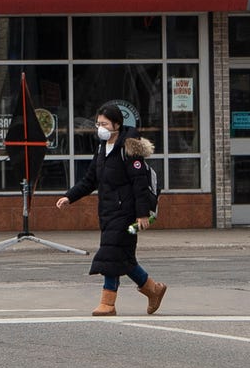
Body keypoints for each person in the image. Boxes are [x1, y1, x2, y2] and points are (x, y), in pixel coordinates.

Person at [53, 100, 166, 317]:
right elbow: (90, 180)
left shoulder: (129, 148)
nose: (100, 128)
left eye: (104, 124)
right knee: (122, 258)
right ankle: (153, 290)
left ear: (116, 125)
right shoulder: (102, 149)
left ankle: (108, 303)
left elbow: (140, 183)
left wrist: (143, 214)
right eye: (98, 124)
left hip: (128, 214)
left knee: (110, 254)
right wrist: (69, 196)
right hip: (107, 212)